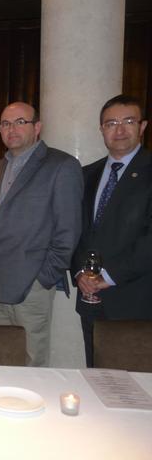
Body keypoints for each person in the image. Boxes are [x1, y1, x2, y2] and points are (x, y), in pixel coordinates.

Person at [0, 102, 83, 367]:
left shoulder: (61, 166)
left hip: (30, 286)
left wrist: (43, 278)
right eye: (5, 124)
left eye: (20, 122)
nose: (11, 129)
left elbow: (68, 231)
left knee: (31, 364)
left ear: (37, 127)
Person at [71, 94, 152, 367]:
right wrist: (80, 272)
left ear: (142, 126)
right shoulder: (87, 174)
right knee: (96, 375)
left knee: (134, 383)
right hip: (90, 298)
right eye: (111, 123)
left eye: (128, 121)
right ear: (101, 130)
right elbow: (75, 231)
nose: (119, 130)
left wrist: (108, 275)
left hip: (136, 299)